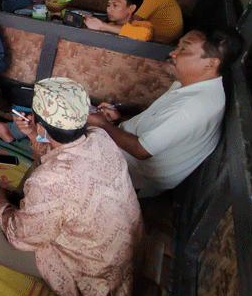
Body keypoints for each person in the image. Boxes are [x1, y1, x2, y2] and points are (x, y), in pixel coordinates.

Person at [0, 77, 142, 296]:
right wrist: (32, 132)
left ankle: (15, 213)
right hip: (120, 243)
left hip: (87, 266)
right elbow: (52, 153)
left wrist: (1, 202)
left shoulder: (50, 181)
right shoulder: (99, 136)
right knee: (40, 167)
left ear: (44, 127)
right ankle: (29, 208)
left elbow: (19, 238)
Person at [88, 28, 243, 197]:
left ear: (210, 63)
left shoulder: (196, 105)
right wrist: (118, 121)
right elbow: (156, 125)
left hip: (131, 175)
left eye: (184, 49)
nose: (173, 53)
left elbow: (141, 150)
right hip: (123, 155)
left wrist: (103, 124)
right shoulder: (189, 84)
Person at [84, 0, 153, 41]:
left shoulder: (142, 26)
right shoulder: (108, 23)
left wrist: (102, 26)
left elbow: (145, 34)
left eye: (115, 5)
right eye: (108, 5)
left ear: (131, 8)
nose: (109, 9)